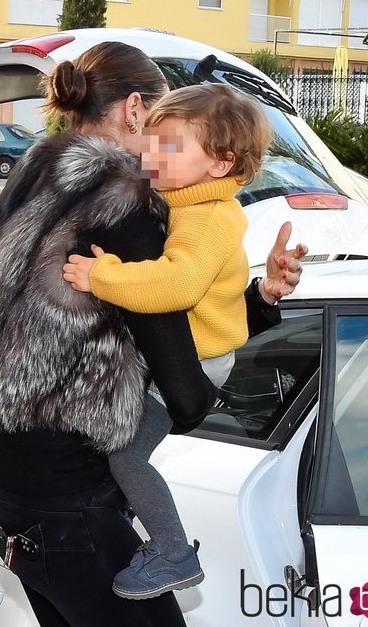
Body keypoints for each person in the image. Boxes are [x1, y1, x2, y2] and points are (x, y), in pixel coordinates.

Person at [0, 41, 306, 627]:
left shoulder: (32, 179)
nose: (158, 150)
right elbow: (184, 387)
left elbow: (161, 307)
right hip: (69, 499)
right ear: (136, 110)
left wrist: (258, 296)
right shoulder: (126, 204)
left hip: (4, 481)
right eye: (162, 127)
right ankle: (172, 552)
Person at [60, 83, 272, 600]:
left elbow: (176, 285)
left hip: (198, 362)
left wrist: (101, 276)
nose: (153, 155)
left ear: (220, 163)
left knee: (128, 458)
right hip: (193, 354)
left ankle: (174, 552)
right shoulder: (192, 200)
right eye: (152, 142)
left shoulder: (204, 218)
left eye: (172, 147)